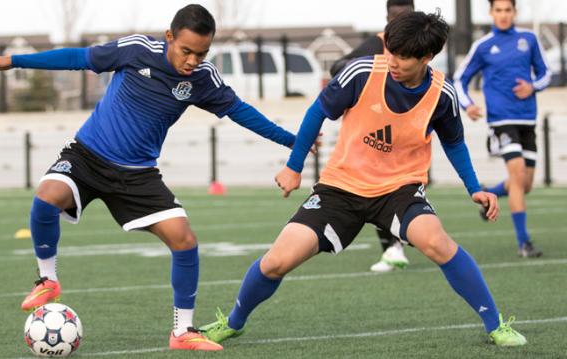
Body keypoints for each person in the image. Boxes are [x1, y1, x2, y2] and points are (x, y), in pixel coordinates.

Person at [0, 4, 299, 352]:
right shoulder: (138, 49)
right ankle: (47, 280)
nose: (192, 61)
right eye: (186, 51)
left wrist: (292, 140)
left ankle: (182, 331)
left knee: (184, 240)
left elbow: (242, 112)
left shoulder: (203, 80)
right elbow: (79, 57)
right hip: (87, 156)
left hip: (138, 174)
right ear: (169, 37)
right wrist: (15, 61)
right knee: (47, 195)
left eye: (201, 53)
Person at [200, 11, 527, 347]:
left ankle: (495, 324)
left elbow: (454, 143)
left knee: (437, 243)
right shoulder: (361, 72)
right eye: (390, 52)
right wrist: (294, 166)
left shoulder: (442, 95)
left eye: (402, 57)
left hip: (400, 190)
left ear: (426, 58)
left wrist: (474, 189)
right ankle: (234, 322)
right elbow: (317, 112)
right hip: (341, 187)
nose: (393, 62)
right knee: (276, 261)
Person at [453, 0, 548, 258]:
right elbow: (460, 78)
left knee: (525, 184)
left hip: (527, 119)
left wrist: (533, 86)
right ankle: (524, 243)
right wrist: (468, 105)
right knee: (517, 177)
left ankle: (489, 194)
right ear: (491, 13)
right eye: (499, 10)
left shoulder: (528, 39)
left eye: (508, 10)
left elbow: (545, 73)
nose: (503, 15)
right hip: (501, 120)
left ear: (515, 12)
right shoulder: (482, 46)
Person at [330, 0, 414, 273]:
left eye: (405, 17)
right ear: (386, 19)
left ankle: (399, 241)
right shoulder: (377, 45)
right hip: (375, 132)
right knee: (376, 187)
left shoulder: (421, 45)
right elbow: (337, 67)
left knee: (400, 187)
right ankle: (393, 246)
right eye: (394, 18)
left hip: (409, 131)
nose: (398, 23)